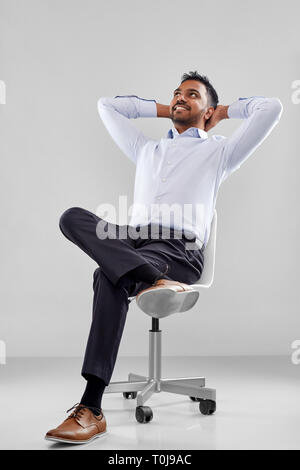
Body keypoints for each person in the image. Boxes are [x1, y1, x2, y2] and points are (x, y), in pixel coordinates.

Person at [45, 71, 283, 444]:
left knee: (106, 277)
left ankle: (90, 407)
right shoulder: (146, 150)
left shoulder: (219, 151)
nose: (180, 98)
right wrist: (170, 108)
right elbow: (107, 107)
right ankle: (150, 277)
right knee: (72, 217)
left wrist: (221, 112)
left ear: (209, 109)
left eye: (192, 95)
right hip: (133, 243)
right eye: (176, 93)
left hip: (177, 249)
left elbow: (272, 108)